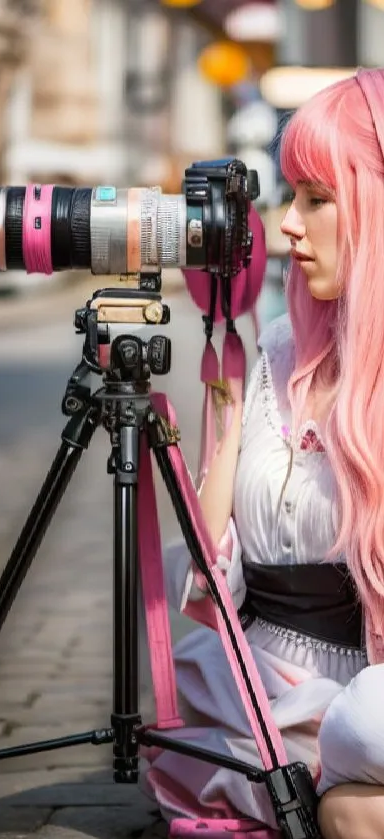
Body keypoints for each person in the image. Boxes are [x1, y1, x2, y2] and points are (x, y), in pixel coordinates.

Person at [142, 67, 384, 839]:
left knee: (362, 737)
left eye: (317, 198)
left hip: (362, 706)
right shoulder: (276, 350)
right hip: (247, 691)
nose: (285, 224)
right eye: (287, 196)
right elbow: (212, 581)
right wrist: (226, 363)